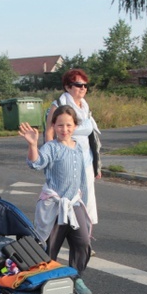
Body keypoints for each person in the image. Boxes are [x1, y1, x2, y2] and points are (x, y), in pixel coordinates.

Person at [20, 106, 92, 294]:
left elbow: (83, 179)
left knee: (83, 241)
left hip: (74, 204)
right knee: (50, 245)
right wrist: (33, 145)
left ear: (75, 126)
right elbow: (36, 163)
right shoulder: (52, 147)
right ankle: (45, 279)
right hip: (54, 205)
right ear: (53, 126)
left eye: (69, 125)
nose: (64, 129)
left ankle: (76, 277)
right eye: (60, 125)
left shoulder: (78, 147)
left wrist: (84, 202)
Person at [44, 68, 101, 234]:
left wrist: (97, 164)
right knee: (64, 200)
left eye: (85, 85)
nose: (83, 88)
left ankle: (85, 237)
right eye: (78, 85)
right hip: (64, 161)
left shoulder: (84, 107)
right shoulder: (59, 106)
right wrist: (50, 158)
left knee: (87, 200)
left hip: (85, 160)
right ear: (68, 87)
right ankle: (56, 235)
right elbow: (49, 132)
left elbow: (93, 137)